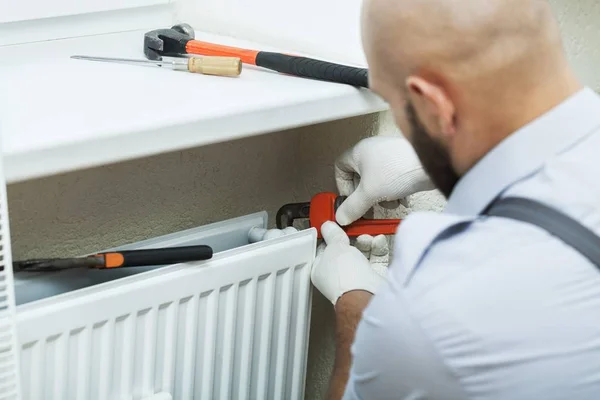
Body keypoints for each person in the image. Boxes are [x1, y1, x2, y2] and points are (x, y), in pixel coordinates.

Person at [310, 0, 600, 399]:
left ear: (434, 104)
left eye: (400, 108)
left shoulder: (442, 309)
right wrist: (431, 163)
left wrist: (358, 309)